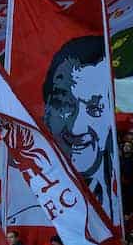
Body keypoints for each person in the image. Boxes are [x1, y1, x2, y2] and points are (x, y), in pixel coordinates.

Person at [42, 35, 118, 221]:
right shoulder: (28, 197)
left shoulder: (121, 194)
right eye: (65, 104)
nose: (76, 128)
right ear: (47, 110)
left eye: (94, 109)